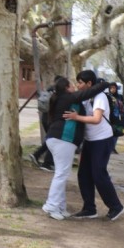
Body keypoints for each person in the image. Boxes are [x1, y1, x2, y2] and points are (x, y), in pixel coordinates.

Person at [42, 77, 109, 220]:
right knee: (61, 174)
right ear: (67, 88)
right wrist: (105, 84)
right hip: (63, 139)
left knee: (62, 174)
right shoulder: (67, 97)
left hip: (59, 139)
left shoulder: (61, 98)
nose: (76, 87)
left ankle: (60, 207)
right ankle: (51, 205)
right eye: (73, 85)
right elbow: (89, 92)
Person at [63, 70, 124, 221]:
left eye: (80, 83)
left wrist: (76, 117)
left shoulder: (100, 97)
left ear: (89, 83)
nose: (78, 85)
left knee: (99, 174)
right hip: (90, 140)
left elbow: (97, 119)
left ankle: (116, 206)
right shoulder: (85, 97)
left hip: (103, 139)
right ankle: (89, 208)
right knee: (83, 174)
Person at [107, 83, 124, 154]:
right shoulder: (107, 96)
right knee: (110, 133)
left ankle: (113, 147)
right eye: (111, 88)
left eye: (114, 88)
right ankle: (109, 147)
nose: (112, 89)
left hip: (118, 118)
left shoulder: (120, 96)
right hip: (110, 117)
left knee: (116, 132)